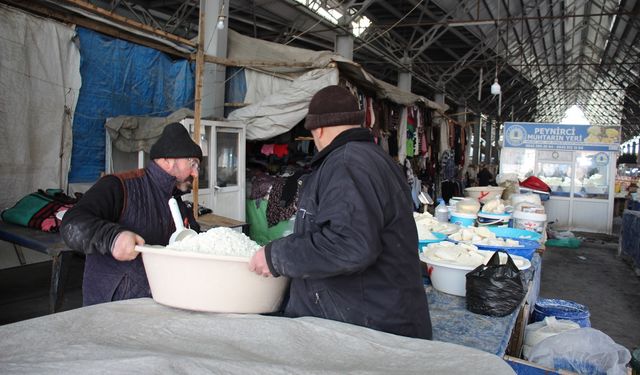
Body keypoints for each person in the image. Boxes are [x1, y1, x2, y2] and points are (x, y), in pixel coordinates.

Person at [248, 85, 432, 340]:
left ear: (319, 129)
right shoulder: (375, 159)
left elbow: (349, 245)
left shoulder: (346, 164)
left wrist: (276, 255)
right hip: (382, 316)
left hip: (368, 330)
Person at [61, 122, 202, 306]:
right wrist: (112, 238)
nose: (196, 174)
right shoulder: (119, 186)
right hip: (111, 309)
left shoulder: (178, 203)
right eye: (192, 164)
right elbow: (72, 224)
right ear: (168, 160)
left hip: (159, 305)